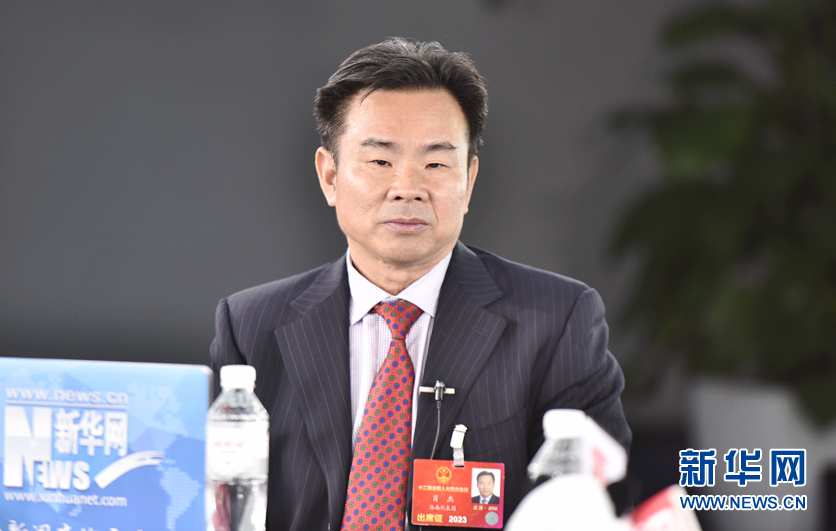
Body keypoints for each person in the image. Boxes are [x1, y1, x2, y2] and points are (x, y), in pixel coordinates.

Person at [210, 37, 630, 531]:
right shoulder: (251, 326)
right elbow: (216, 503)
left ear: (468, 181)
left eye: (435, 163)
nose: (407, 188)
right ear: (329, 176)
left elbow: (599, 505)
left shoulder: (556, 321)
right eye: (380, 161)